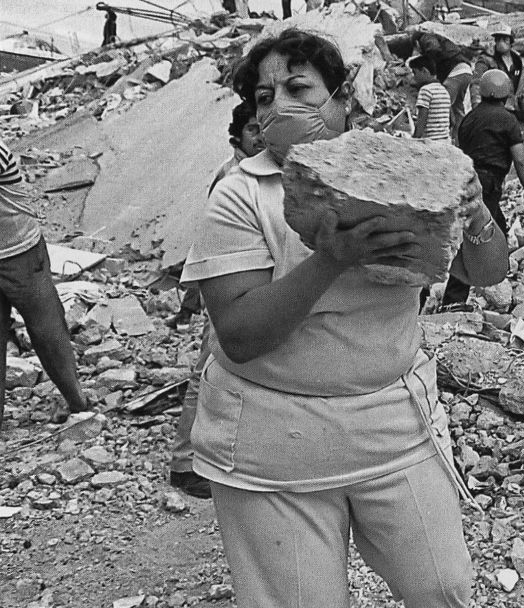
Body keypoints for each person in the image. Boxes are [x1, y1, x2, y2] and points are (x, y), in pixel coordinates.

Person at [181, 29, 507, 607]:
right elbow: (238, 333)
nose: (277, 105)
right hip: (276, 443)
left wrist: (474, 206)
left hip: (393, 425)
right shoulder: (241, 192)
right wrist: (331, 259)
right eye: (263, 95)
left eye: (298, 88)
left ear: (341, 99)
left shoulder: (399, 168)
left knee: (443, 586)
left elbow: (487, 272)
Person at [169, 101, 265, 499]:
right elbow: (209, 241)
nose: (260, 135)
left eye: (264, 127)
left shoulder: (256, 172)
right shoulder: (232, 178)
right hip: (227, 289)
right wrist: (193, 298)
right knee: (208, 369)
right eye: (252, 129)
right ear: (237, 135)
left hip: (240, 286)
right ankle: (184, 462)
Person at [0, 138, 91, 428]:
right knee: (47, 324)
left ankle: (77, 401)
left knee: (46, 326)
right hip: (20, 249)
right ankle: (77, 401)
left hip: (18, 251)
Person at [443, 70, 524, 306]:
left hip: (466, 181)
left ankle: (496, 274)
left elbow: (459, 149)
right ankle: (455, 298)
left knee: (496, 227)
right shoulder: (507, 120)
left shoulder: (470, 118)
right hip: (487, 184)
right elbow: (520, 159)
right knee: (474, 238)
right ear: (506, 94)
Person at [470, 26, 524, 125]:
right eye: (498, 39)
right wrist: (477, 108)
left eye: (505, 39)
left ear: (511, 42)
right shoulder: (486, 60)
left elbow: (521, 89)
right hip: (493, 110)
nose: (501, 43)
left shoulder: (517, 61)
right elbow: (476, 84)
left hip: (513, 110)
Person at [409, 56, 452, 142]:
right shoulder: (444, 90)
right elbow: (452, 120)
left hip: (431, 142)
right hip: (445, 141)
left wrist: (414, 140)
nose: (413, 77)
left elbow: (422, 121)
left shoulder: (425, 90)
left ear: (424, 71)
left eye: (415, 73)